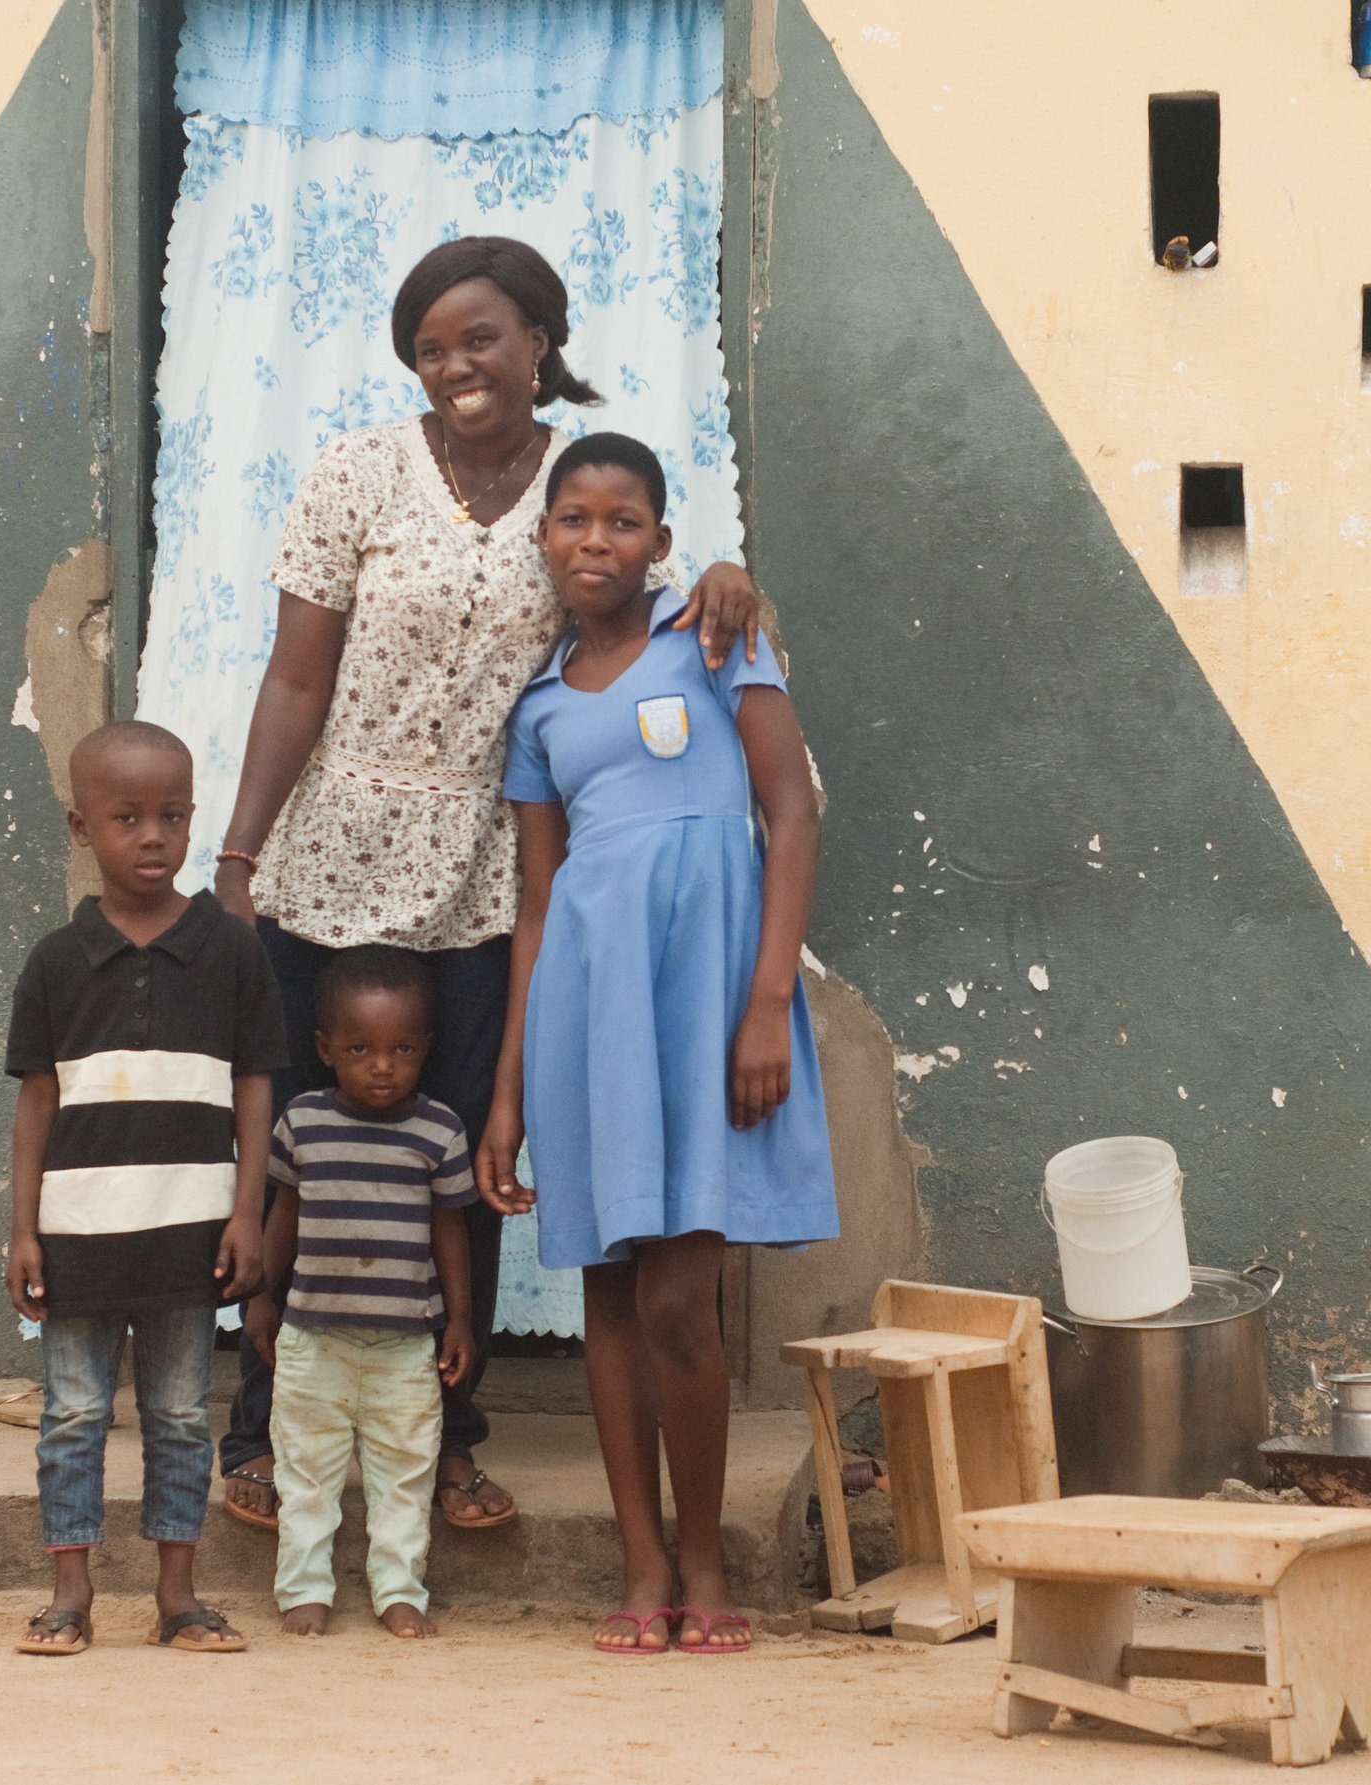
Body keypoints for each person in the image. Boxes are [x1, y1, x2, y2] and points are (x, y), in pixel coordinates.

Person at [211, 236, 764, 1534]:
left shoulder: (573, 492)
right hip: (331, 854)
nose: (454, 364)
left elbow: (641, 603)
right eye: (430, 345)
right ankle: (262, 1434)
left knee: (455, 1158)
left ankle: (446, 1442)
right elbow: (296, 679)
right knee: (298, 1156)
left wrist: (732, 579)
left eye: (480, 336)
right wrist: (237, 856)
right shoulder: (357, 471)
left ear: (539, 340)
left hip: (480, 872)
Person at [483, 434, 839, 1656]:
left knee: (685, 1291)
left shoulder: (718, 638)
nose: (596, 541)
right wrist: (508, 1094)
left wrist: (763, 1004)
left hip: (706, 992)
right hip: (589, 1001)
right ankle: (640, 1566)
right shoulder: (535, 706)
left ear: (659, 541)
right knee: (612, 1296)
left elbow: (789, 814)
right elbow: (538, 902)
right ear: (543, 541)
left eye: (622, 521)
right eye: (572, 520)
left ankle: (703, 1560)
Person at [4, 721, 287, 1656]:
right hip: (80, 1235)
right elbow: (38, 1099)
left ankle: (179, 1597)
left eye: (171, 814)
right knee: (74, 1416)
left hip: (189, 1234)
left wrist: (248, 1211)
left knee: (176, 1416)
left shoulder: (232, 950)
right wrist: (24, 1230)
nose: (153, 836)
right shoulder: (54, 960)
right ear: (84, 827)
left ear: (194, 817)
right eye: (128, 817)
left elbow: (256, 1085)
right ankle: (69, 1596)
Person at [243, 946, 476, 1639]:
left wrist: (460, 1318)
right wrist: (261, 1295)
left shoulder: (439, 1130)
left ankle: (400, 1590)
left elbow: (450, 1231)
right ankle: (304, 1591)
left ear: (426, 1048)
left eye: (402, 1047)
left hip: (405, 1344)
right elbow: (281, 1214)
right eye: (360, 1047)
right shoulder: (303, 1123)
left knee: (405, 1472)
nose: (382, 1065)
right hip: (313, 1338)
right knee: (305, 1472)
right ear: (324, 1048)